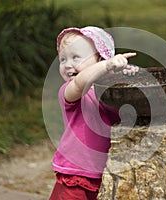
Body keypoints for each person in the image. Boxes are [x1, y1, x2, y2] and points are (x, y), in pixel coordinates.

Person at [49, 26, 139, 200]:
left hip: (106, 174)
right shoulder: (69, 90)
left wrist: (126, 75)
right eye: (62, 59)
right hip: (76, 175)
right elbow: (81, 82)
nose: (68, 64)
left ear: (99, 57)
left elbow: (129, 108)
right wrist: (106, 65)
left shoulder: (111, 93)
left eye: (76, 57)